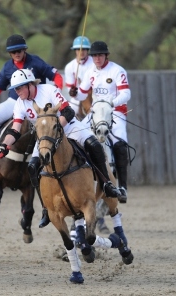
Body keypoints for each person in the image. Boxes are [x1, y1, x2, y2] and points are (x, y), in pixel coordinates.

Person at [0, 69, 120, 228]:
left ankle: (107, 184)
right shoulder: (20, 103)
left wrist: (56, 129)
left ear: (29, 85)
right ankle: (46, 209)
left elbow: (68, 112)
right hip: (45, 138)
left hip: (69, 127)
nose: (16, 92)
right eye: (15, 89)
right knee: (33, 167)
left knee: (94, 146)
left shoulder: (49, 90)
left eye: (19, 88)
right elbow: (15, 129)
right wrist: (5, 145)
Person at [0, 34, 63, 227]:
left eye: (18, 51)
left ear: (24, 50)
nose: (16, 55)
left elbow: (56, 76)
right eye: (12, 52)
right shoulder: (7, 67)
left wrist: (56, 91)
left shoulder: (36, 62)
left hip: (40, 104)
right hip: (16, 103)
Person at [70, 41, 131, 203]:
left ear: (106, 56)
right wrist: (74, 93)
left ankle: (122, 187)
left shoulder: (117, 70)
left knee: (120, 142)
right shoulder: (91, 71)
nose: (97, 58)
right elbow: (82, 95)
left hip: (115, 112)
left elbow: (126, 94)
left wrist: (112, 103)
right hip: (96, 112)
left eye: (100, 55)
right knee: (76, 135)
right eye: (95, 55)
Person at [64, 36, 93, 118]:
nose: (81, 52)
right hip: (77, 97)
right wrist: (73, 92)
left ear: (87, 50)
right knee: (68, 113)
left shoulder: (94, 64)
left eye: (84, 49)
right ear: (75, 50)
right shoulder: (69, 67)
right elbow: (70, 88)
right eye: (78, 49)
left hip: (94, 95)